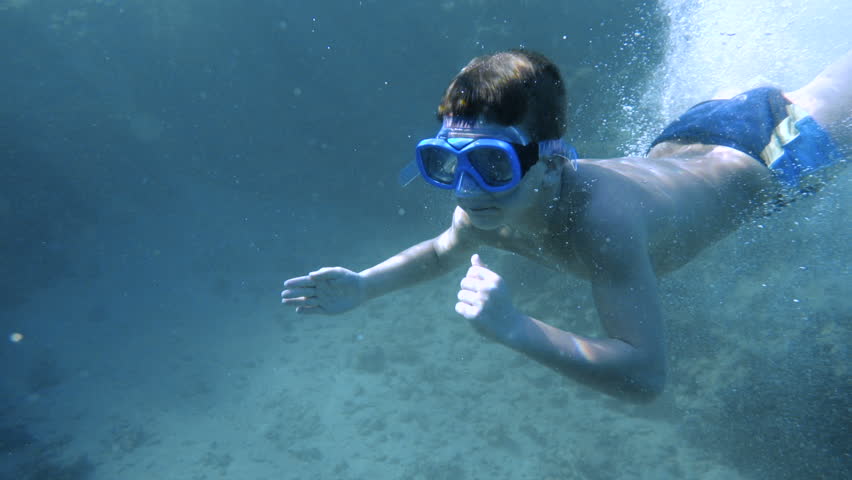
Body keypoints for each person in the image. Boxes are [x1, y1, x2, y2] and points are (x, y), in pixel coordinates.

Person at [282, 49, 850, 403]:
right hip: (690, 135)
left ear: (551, 166)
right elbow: (439, 252)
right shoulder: (488, 206)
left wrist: (513, 327)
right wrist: (365, 286)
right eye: (447, 163)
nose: (466, 187)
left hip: (775, 150)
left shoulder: (603, 225)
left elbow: (647, 375)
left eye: (493, 164)